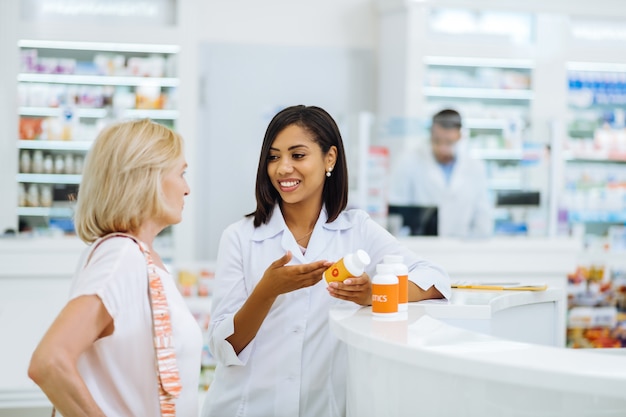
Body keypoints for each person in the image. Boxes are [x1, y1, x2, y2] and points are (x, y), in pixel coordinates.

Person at [202, 105, 450, 417]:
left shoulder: (357, 229)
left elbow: (436, 279)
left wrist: (376, 294)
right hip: (246, 407)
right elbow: (223, 347)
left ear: (329, 158)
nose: (282, 168)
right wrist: (266, 291)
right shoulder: (240, 237)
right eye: (274, 157)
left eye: (298, 155)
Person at [28, 119, 202, 417]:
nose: (187, 189)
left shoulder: (139, 258)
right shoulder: (122, 256)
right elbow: (50, 361)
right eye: (181, 173)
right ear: (148, 177)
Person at [389, 109, 493, 238]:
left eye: (449, 142)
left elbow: (482, 216)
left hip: (463, 248)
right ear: (431, 134)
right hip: (420, 246)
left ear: (460, 136)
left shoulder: (475, 167)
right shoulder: (408, 161)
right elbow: (397, 210)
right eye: (437, 141)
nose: (442, 148)